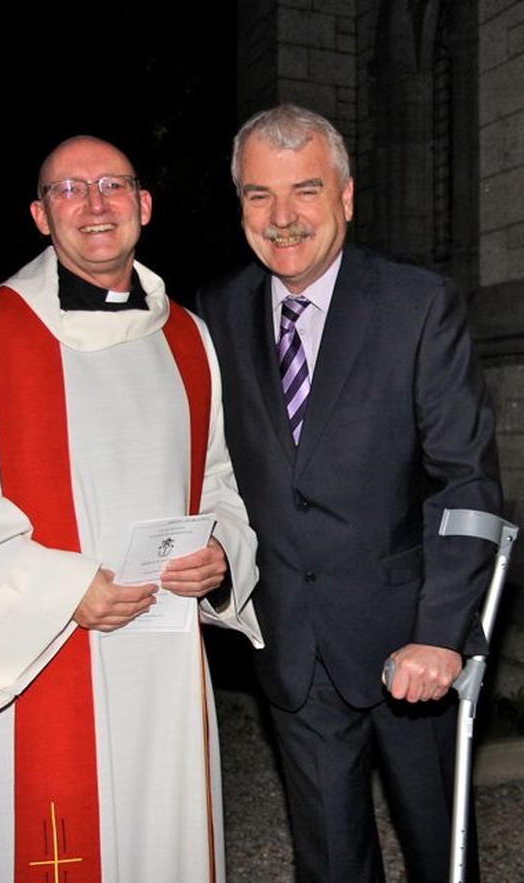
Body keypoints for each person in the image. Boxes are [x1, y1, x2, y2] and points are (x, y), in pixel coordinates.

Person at [0, 134, 263, 883]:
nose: (95, 204)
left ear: (144, 206)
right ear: (39, 215)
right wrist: (61, 590)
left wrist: (220, 555)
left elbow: (217, 480)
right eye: (69, 189)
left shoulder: (188, 338)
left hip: (160, 669)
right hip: (30, 659)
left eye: (113, 185)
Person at [195, 104, 503, 883]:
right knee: (329, 861)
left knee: (444, 853)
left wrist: (441, 631)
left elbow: (466, 481)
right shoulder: (213, 315)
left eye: (306, 190)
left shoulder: (418, 305)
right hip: (292, 648)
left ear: (347, 197)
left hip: (411, 649)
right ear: (239, 205)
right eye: (260, 196)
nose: (284, 218)